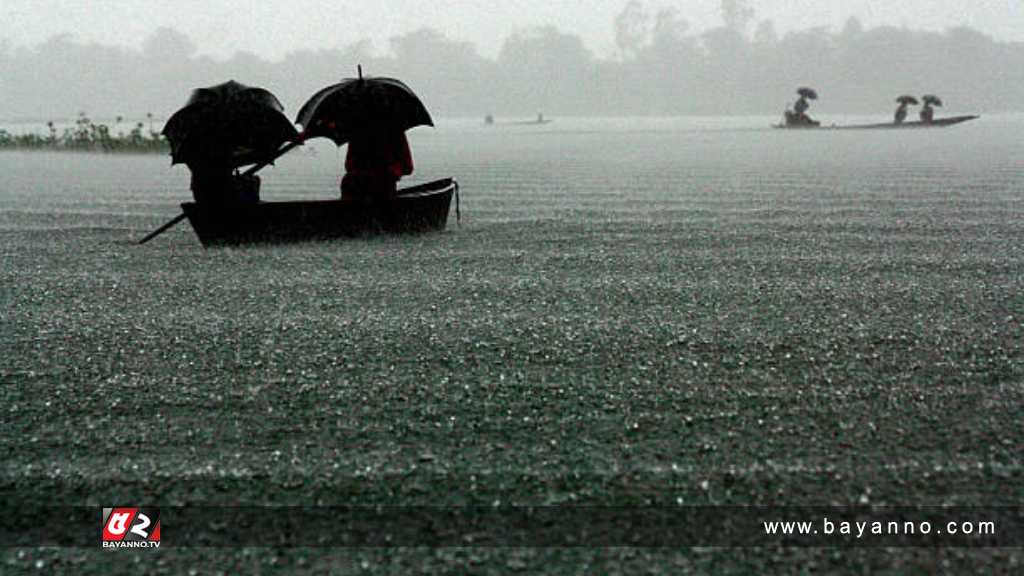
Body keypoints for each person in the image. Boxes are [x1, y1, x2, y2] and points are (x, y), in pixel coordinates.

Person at [340, 130, 413, 206]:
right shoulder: (395, 131)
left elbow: (348, 165)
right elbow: (407, 166)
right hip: (375, 188)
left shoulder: (357, 131)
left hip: (376, 188)